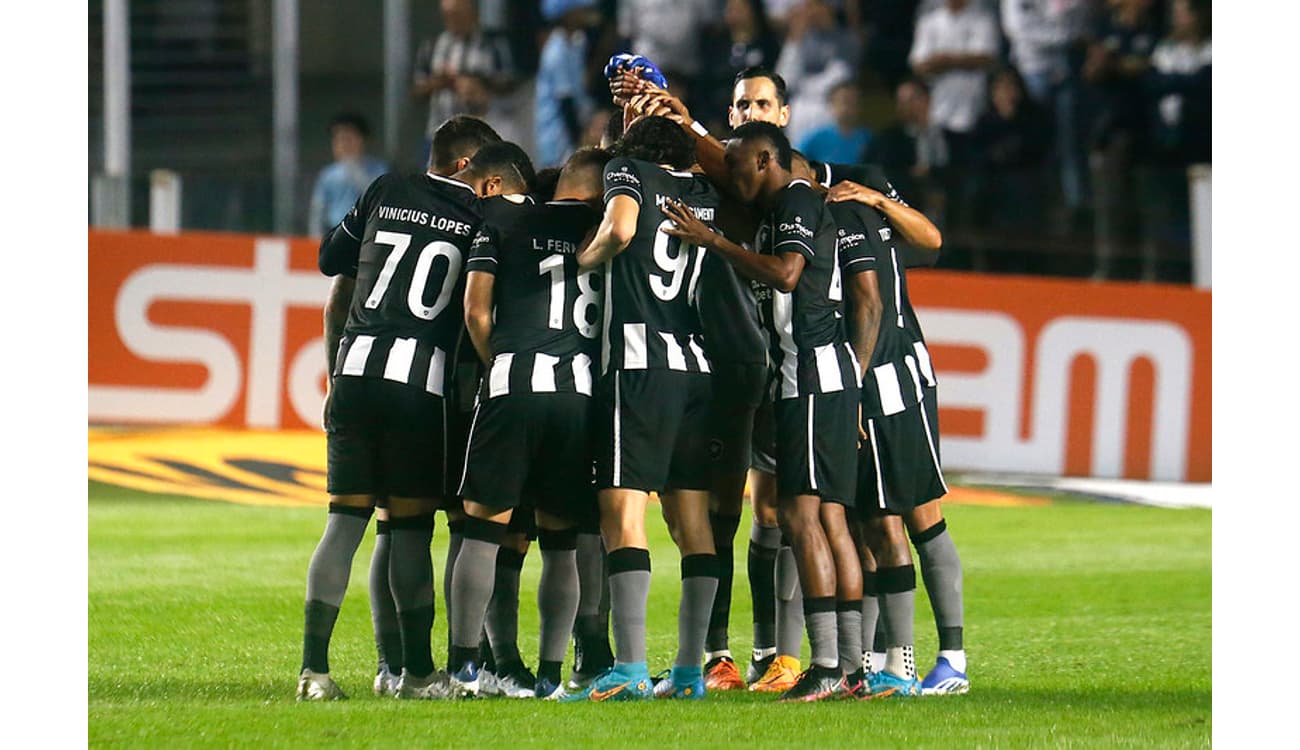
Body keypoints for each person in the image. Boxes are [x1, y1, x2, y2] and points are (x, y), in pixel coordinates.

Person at [614, 60, 964, 695]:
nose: (750, 115)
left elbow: (868, 290)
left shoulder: (821, 192)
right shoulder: (758, 195)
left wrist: (853, 384)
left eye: (761, 106)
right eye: (741, 106)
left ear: (779, 122)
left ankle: (878, 660)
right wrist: (668, 119)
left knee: (865, 517)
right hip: (775, 374)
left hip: (833, 375)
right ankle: (795, 657)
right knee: (778, 512)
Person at [299, 115, 511, 702]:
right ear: (469, 165)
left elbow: (330, 262)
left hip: (355, 371)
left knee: (344, 525)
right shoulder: (479, 219)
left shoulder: (384, 188)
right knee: (411, 531)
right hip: (421, 385)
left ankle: (313, 671)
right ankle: (418, 674)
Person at [660, 122, 863, 703]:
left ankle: (830, 666)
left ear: (767, 159)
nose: (735, 174)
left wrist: (715, 242)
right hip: (806, 377)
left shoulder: (797, 199)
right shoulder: (778, 211)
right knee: (817, 519)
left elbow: (788, 274)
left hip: (814, 377)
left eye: (740, 163)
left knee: (805, 519)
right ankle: (845, 668)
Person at [561, 115, 723, 702]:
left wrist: (585, 257)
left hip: (638, 361)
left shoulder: (628, 172)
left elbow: (623, 229)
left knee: (622, 514)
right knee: (692, 524)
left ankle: (628, 668)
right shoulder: (705, 193)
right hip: (695, 366)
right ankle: (686, 672)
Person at [448, 147, 607, 701]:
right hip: (579, 395)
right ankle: (549, 674)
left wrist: (501, 360)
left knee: (482, 532)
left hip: (515, 381)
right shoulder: (602, 228)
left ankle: (466, 667)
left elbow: (475, 310)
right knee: (562, 543)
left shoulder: (504, 220)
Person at [1082, 0, 1159, 279]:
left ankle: (1153, 272)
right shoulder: (1106, 29)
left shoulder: (1155, 27)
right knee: (1111, 207)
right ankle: (1111, 269)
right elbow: (1092, 71)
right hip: (1113, 133)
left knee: (1151, 210)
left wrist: (1120, 65)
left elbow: (1156, 65)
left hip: (1151, 135)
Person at [412, 0, 517, 166]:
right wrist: (441, 82)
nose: (455, 21)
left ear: (473, 14)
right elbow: (417, 90)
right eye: (449, 16)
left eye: (459, 15)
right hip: (438, 131)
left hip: (482, 133)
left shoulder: (492, 45)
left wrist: (479, 82)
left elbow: (509, 83)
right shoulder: (432, 46)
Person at [908, 0, 1000, 154]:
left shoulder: (983, 18)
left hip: (976, 107)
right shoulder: (930, 21)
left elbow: (987, 57)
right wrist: (962, 61)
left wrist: (944, 61)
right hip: (938, 108)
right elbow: (919, 66)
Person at [774, 0, 860, 147]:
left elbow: (840, 77)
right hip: (800, 107)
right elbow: (784, 79)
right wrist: (795, 41)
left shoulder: (847, 39)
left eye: (816, 5)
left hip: (831, 106)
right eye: (809, 6)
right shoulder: (799, 39)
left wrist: (805, 85)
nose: (811, 11)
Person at [535, 0, 603, 168]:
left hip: (576, 123)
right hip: (560, 135)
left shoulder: (576, 42)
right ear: (568, 14)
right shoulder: (556, 51)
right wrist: (579, 141)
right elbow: (565, 102)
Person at [307, 113, 389, 239]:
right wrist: (316, 239)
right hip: (335, 232)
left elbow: (378, 199)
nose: (344, 145)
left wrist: (353, 167)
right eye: (338, 140)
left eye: (349, 139)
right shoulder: (328, 174)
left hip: (367, 233)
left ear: (361, 140)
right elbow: (318, 211)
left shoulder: (378, 169)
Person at [797, 80, 873, 166]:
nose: (848, 108)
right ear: (832, 104)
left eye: (854, 102)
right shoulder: (814, 138)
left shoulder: (867, 138)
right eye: (845, 101)